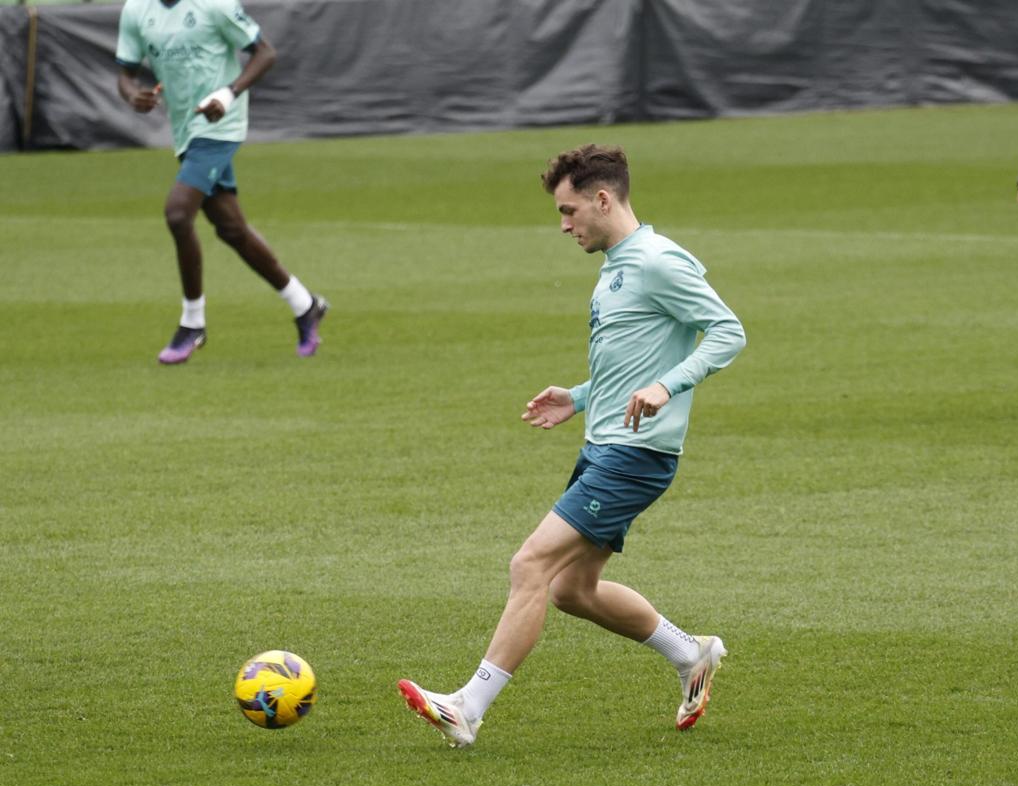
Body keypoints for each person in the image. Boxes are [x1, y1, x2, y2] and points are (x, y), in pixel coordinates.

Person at [397, 144, 746, 747]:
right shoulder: (619, 262)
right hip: (605, 445)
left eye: (568, 211)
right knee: (570, 590)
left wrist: (669, 385)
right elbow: (633, 355)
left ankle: (468, 706)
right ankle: (691, 654)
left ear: (603, 199)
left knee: (529, 564)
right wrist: (581, 396)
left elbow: (728, 332)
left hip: (637, 456)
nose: (563, 225)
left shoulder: (659, 261)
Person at [116, 0, 327, 364]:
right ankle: (304, 304)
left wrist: (228, 94)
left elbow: (265, 52)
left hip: (219, 127)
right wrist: (132, 94)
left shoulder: (215, 5)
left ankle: (192, 322)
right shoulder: (137, 10)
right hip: (185, 129)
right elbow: (126, 73)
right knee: (232, 230)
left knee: (178, 214)